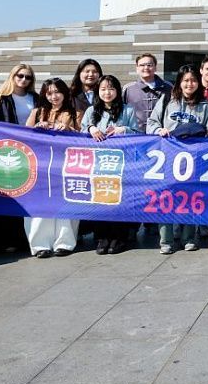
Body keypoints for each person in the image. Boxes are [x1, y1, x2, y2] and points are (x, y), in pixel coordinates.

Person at [149, 66, 208, 254]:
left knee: (191, 198)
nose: (189, 84)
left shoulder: (204, 105)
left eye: (193, 80)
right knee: (166, 198)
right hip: (168, 158)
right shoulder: (167, 100)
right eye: (185, 80)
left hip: (193, 159)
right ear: (179, 82)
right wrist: (158, 130)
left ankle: (189, 238)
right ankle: (166, 240)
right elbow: (151, 123)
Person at [21, 79, 80, 257]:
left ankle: (65, 242)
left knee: (67, 202)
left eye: (57, 92)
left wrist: (68, 129)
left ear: (65, 93)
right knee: (40, 203)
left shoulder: (75, 112)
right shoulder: (37, 112)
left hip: (66, 164)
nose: (54, 96)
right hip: (41, 165)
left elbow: (84, 137)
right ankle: (40, 245)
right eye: (49, 93)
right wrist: (36, 128)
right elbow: (23, 136)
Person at [82, 76, 138, 254]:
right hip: (98, 164)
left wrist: (124, 129)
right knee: (100, 200)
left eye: (111, 89)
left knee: (119, 200)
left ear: (117, 91)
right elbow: (80, 133)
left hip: (121, 164)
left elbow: (138, 133)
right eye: (103, 89)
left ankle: (118, 238)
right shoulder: (91, 111)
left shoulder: (128, 110)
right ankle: (102, 238)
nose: (107, 93)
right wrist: (90, 128)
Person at [123, 53, 172, 133]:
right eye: (142, 65)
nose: (146, 68)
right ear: (137, 68)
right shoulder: (128, 89)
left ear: (155, 67)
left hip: (161, 134)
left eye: (149, 65)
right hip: (135, 134)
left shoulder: (168, 87)